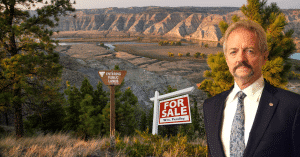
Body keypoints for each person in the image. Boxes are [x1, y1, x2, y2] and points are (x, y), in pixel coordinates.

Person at [203, 20, 300, 157]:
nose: (241, 59)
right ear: (226, 59)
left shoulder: (292, 107)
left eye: (249, 51)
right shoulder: (211, 106)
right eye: (233, 52)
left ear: (264, 57)